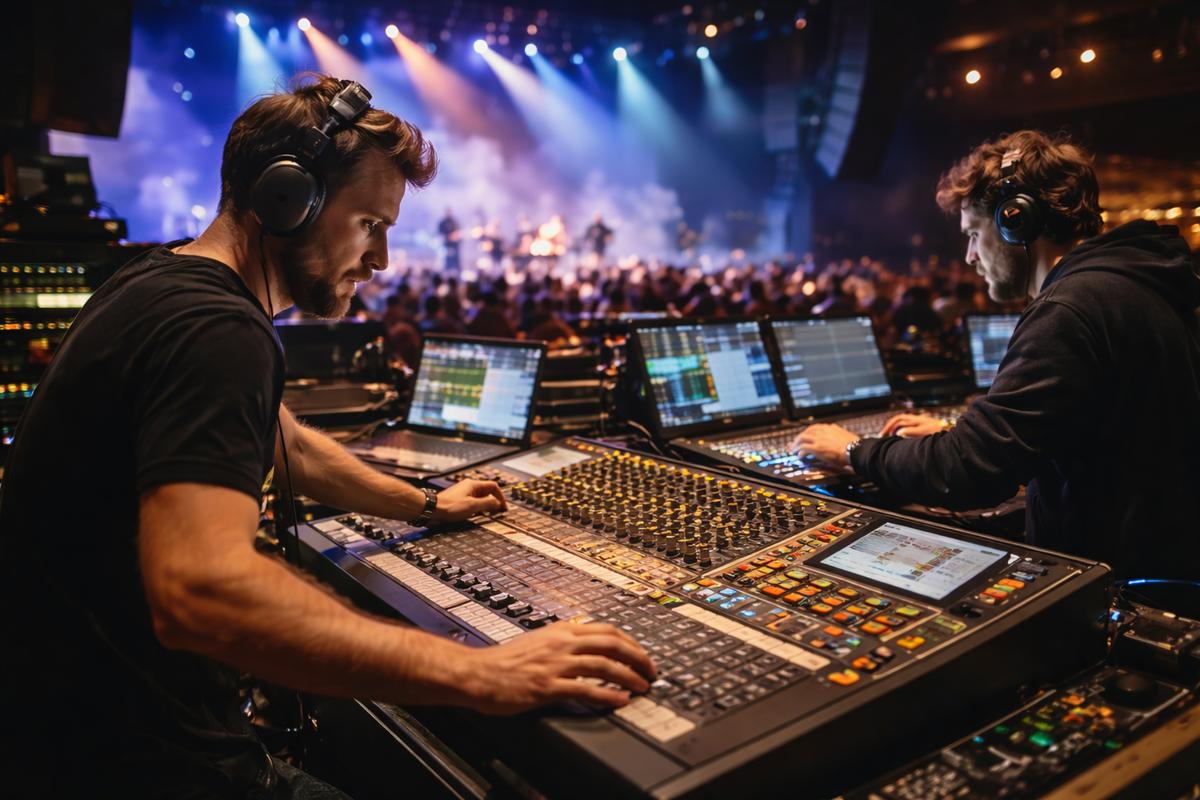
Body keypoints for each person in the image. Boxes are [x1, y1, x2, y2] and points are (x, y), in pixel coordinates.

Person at [0, 75, 653, 797]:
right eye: (369, 223)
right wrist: (483, 671)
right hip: (127, 762)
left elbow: (290, 443)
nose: (381, 260)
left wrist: (423, 504)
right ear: (288, 200)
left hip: (65, 727)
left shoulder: (160, 281)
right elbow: (200, 590)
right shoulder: (217, 332)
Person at [794, 129, 1200, 579]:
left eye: (973, 234)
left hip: (1115, 584)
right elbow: (1095, 437)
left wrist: (853, 450)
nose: (970, 256)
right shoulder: (1132, 285)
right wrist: (961, 434)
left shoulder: (1069, 309)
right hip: (1160, 561)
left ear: (1016, 221)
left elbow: (969, 472)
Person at [437, 207, 462, 272]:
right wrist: (447, 237)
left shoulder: (454, 222)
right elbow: (440, 233)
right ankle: (447, 271)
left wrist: (456, 237)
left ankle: (456, 271)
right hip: (446, 244)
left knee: (455, 259)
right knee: (447, 259)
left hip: (454, 244)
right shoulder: (443, 222)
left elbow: (458, 232)